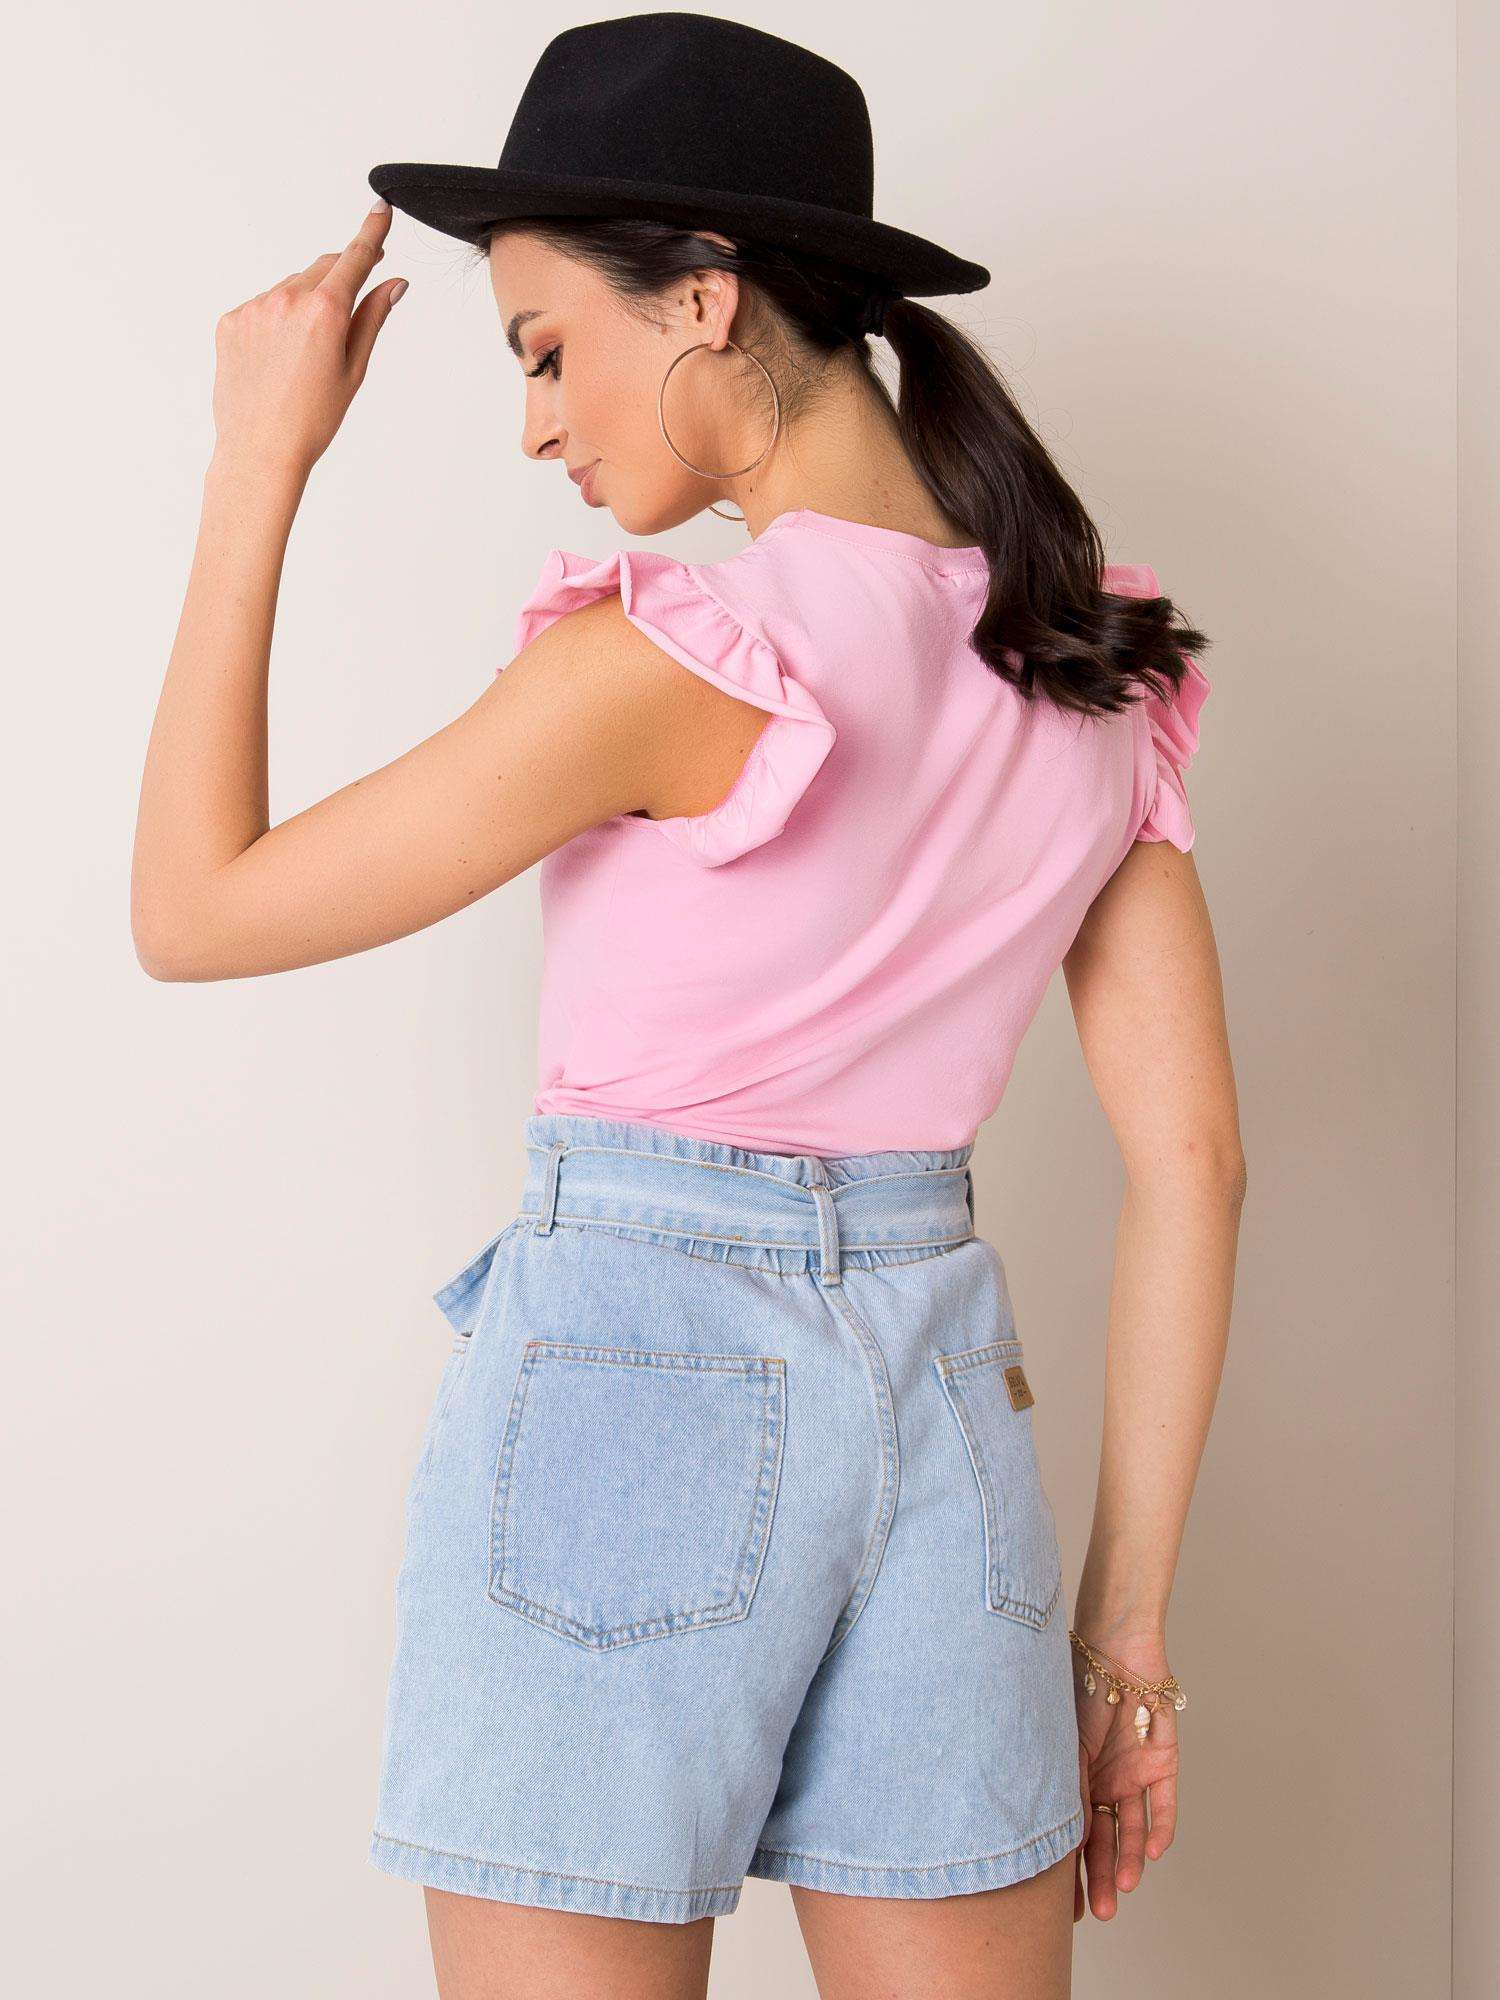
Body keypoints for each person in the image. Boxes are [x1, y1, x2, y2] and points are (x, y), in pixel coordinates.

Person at [131, 16, 1245, 1999]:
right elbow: (1198, 1170)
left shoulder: (685, 660)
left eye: (545, 347)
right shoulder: (1092, 665)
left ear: (707, 298)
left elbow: (191, 912)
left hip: (629, 1390)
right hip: (948, 1421)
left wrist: (255, 464)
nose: (538, 425)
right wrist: (1125, 1640)